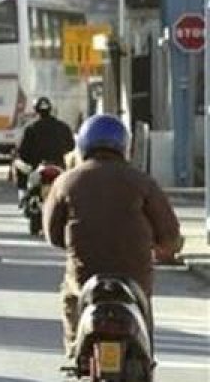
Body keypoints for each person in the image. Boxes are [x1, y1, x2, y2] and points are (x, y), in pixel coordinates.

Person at [43, 114, 183, 360]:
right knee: (143, 309)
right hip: (135, 277)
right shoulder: (142, 182)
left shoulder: (65, 182)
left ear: (84, 145)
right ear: (124, 146)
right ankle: (146, 360)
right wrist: (164, 247)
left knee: (70, 301)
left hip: (84, 278)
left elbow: (53, 236)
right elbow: (170, 234)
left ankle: (75, 354)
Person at [14, 97, 75, 204]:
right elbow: (71, 146)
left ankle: (22, 194)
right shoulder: (63, 127)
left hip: (37, 167)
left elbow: (22, 151)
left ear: (36, 110)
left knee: (18, 163)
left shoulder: (30, 128)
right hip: (59, 166)